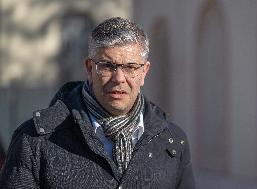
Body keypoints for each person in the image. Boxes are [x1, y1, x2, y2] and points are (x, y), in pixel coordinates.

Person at [0, 17, 195, 189]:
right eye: (107, 66)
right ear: (89, 68)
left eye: (130, 67)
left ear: (144, 72)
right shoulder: (34, 139)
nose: (119, 78)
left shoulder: (172, 142)